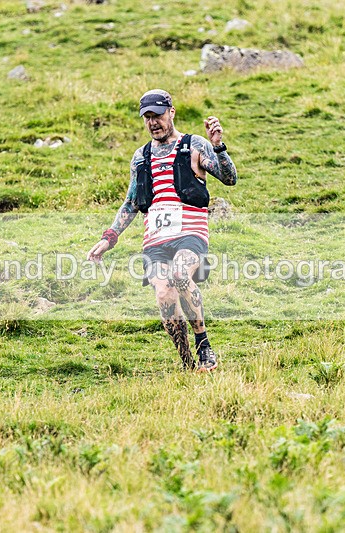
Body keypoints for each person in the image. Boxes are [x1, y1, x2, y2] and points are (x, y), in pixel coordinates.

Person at [87, 89, 238, 372]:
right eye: (147, 117)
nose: (153, 122)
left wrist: (218, 146)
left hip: (190, 232)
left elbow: (229, 179)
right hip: (155, 241)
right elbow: (131, 202)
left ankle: (203, 344)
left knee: (180, 274)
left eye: (157, 115)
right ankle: (187, 363)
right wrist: (109, 237)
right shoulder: (140, 157)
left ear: (171, 112)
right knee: (164, 296)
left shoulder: (194, 145)